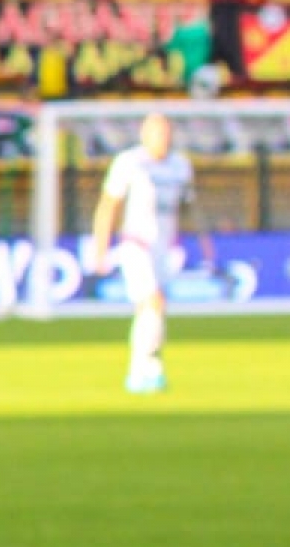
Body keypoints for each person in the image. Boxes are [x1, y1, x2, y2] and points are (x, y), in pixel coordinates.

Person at [87, 110, 207, 395]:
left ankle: (141, 368)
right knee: (153, 301)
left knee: (152, 308)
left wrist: (202, 241)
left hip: (164, 247)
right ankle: (146, 368)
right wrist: (100, 247)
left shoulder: (180, 165)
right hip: (136, 244)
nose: (162, 138)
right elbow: (109, 205)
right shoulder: (130, 163)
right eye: (156, 133)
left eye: (166, 133)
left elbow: (186, 206)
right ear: (144, 135)